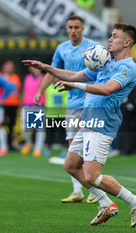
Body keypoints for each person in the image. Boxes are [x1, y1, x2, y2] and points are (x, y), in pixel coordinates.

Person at [23, 23, 136, 228]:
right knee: (71, 165)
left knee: (92, 175)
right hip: (88, 121)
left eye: (115, 36)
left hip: (103, 124)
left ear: (127, 42)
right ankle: (106, 204)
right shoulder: (105, 62)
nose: (110, 39)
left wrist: (74, 86)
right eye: (111, 35)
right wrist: (45, 67)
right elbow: (72, 75)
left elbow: (107, 89)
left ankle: (135, 202)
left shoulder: (129, 67)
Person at [33, 15, 98, 204]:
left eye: (76, 27)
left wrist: (95, 91)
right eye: (70, 27)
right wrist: (40, 91)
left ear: (83, 28)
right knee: (72, 147)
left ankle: (94, 188)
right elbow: (52, 71)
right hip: (71, 105)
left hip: (90, 103)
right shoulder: (62, 49)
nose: (73, 30)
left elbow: (101, 72)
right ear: (66, 28)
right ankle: (77, 190)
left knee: (89, 145)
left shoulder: (93, 48)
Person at [20, 66, 46, 157]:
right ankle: (29, 142)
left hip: (39, 106)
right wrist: (21, 105)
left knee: (39, 129)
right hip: (27, 105)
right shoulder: (27, 78)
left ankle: (38, 149)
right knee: (24, 127)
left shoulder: (44, 77)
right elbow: (24, 91)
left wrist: (39, 76)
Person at [2, 60, 21, 151]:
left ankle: (11, 143)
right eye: (7, 66)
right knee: (3, 125)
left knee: (12, 125)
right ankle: (3, 144)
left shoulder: (16, 77)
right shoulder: (1, 77)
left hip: (14, 104)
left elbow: (18, 91)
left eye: (11, 66)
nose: (9, 68)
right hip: (4, 104)